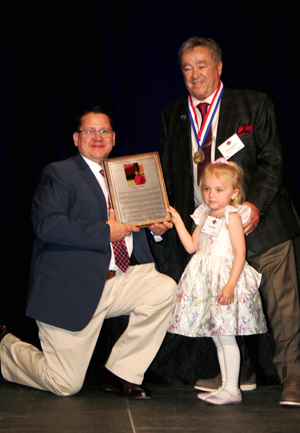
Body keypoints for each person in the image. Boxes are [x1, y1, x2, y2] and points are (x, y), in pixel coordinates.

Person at [149, 36, 300, 406]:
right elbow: (170, 175)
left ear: (219, 67)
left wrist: (254, 207)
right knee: (223, 303)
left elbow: (273, 163)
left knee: (282, 306)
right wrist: (159, 214)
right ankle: (239, 372)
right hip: (211, 234)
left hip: (261, 224)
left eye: (202, 65)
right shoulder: (173, 113)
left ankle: (293, 376)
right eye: (187, 67)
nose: (194, 74)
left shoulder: (254, 102)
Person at [0, 106, 177, 399]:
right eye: (89, 131)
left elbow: (138, 224)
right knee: (65, 384)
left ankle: (119, 372)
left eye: (104, 131)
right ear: (75, 138)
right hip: (73, 288)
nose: (98, 136)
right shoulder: (60, 173)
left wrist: (156, 229)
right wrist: (106, 231)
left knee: (164, 289)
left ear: (114, 137)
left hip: (119, 281)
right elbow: (47, 225)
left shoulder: (128, 173)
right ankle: (4, 347)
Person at [168, 159, 267, 405]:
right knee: (217, 335)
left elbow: (240, 253)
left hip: (224, 279)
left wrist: (231, 285)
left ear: (234, 193)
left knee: (226, 335)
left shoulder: (233, 216)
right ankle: (225, 385)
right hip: (206, 281)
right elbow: (192, 246)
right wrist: (178, 220)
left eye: (219, 190)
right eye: (207, 189)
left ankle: (233, 388)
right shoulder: (204, 215)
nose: (211, 195)